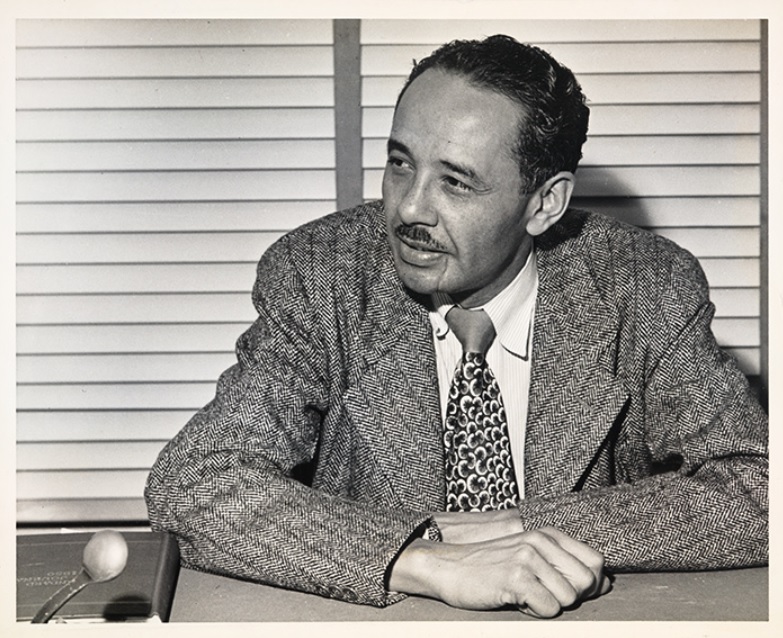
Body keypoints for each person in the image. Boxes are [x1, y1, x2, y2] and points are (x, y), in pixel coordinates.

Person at [145, 35, 768, 618]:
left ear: (544, 203)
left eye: (456, 181)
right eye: (400, 163)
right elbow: (195, 482)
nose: (410, 208)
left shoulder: (643, 286)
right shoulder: (323, 276)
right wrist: (422, 555)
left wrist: (521, 528)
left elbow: (760, 490)